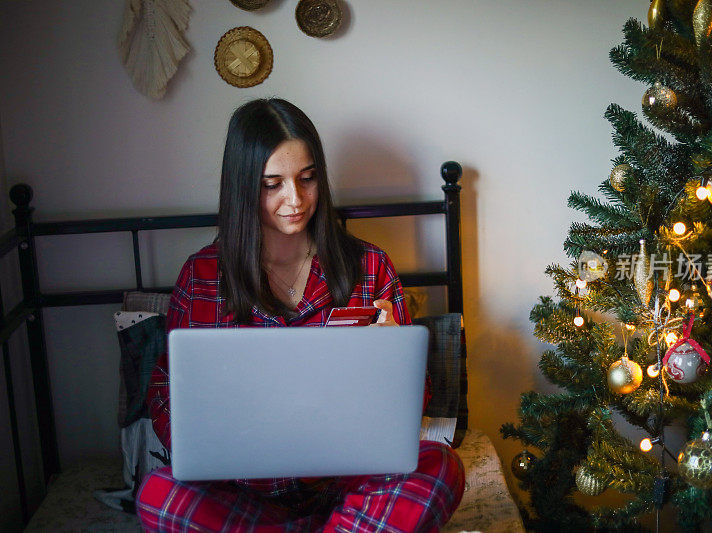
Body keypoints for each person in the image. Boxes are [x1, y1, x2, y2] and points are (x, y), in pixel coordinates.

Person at [135, 98, 465, 532]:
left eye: (307, 179)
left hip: (350, 482)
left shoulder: (370, 267)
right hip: (244, 489)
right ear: (242, 186)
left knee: (442, 465)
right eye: (272, 184)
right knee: (159, 496)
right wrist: (214, 450)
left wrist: (392, 356)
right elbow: (165, 394)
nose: (295, 199)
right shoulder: (201, 276)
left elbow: (409, 409)